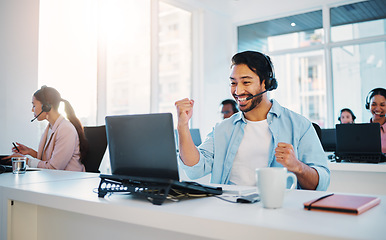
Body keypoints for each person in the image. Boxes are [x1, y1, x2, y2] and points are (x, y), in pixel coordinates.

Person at [175, 51, 329, 190]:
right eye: (233, 83)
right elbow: (195, 168)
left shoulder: (299, 125)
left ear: (265, 83)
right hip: (227, 211)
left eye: (246, 82)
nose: (238, 91)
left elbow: (320, 184)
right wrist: (183, 125)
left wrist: (297, 167)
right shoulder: (223, 128)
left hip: (276, 213)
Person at [6, 86, 88, 171]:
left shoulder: (65, 129)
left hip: (69, 180)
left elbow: (54, 167)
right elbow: (48, 160)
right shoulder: (50, 128)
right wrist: (30, 152)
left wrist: (25, 160)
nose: (32, 110)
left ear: (46, 106)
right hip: (56, 179)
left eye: (34, 105)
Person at [365, 88, 386, 153]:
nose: (377, 109)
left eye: (382, 105)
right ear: (368, 106)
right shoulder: (362, 130)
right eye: (373, 104)